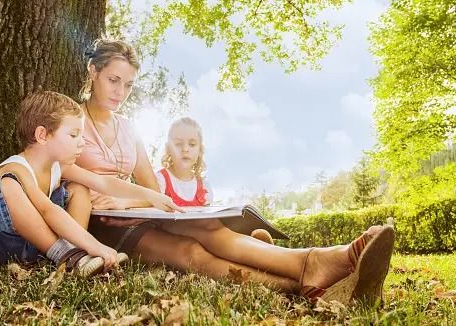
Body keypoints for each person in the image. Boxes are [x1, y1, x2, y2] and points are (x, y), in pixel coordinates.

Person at [76, 38, 395, 305]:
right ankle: (298, 284)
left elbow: (154, 193)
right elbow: (69, 180)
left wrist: (130, 202)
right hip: (101, 227)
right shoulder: (73, 120)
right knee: (190, 251)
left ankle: (314, 264)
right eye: (113, 80)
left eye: (128, 85)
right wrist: (121, 202)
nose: (120, 92)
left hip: (134, 212)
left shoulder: (128, 128)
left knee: (211, 228)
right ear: (93, 71)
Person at [0, 91, 181, 278]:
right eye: (74, 134)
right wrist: (93, 245)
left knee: (79, 188)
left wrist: (153, 196)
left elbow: (102, 182)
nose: (82, 141)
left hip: (32, 246)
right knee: (8, 185)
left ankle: (72, 252)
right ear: (42, 135)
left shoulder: (59, 167)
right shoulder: (16, 169)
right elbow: (48, 211)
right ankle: (71, 255)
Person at [157, 116, 275, 244]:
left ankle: (258, 248)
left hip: (203, 236)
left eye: (192, 144)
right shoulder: (160, 180)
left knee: (217, 231)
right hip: (175, 238)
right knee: (214, 236)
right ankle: (256, 249)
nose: (185, 149)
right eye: (178, 144)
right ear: (168, 148)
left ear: (199, 150)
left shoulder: (204, 187)